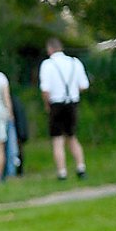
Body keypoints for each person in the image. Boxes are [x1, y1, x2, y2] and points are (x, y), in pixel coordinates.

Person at [39, 36, 90, 180]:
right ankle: (81, 167)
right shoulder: (75, 62)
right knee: (72, 137)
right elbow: (84, 85)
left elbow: (45, 89)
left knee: (57, 139)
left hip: (56, 103)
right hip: (72, 102)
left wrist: (46, 104)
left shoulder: (47, 65)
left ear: (50, 49)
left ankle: (62, 172)